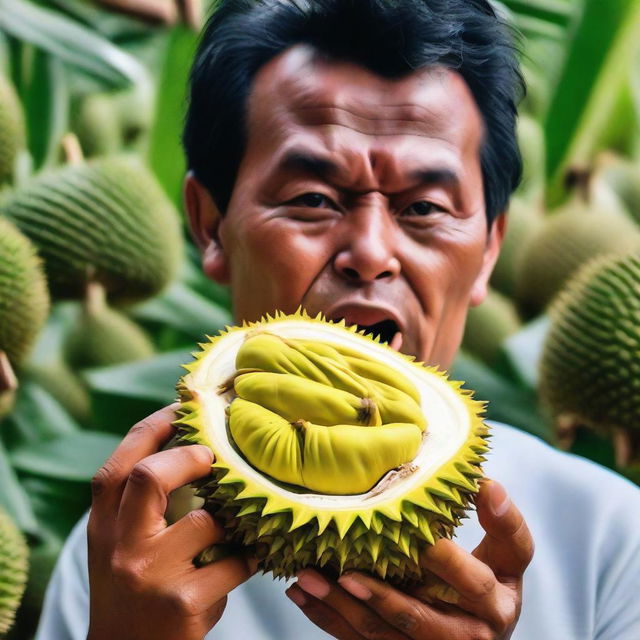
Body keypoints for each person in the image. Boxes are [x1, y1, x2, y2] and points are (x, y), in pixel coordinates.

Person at [36, 1, 640, 639]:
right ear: (211, 226)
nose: (373, 254)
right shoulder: (123, 564)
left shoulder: (611, 541)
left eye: (426, 207)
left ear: (489, 248)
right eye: (313, 199)